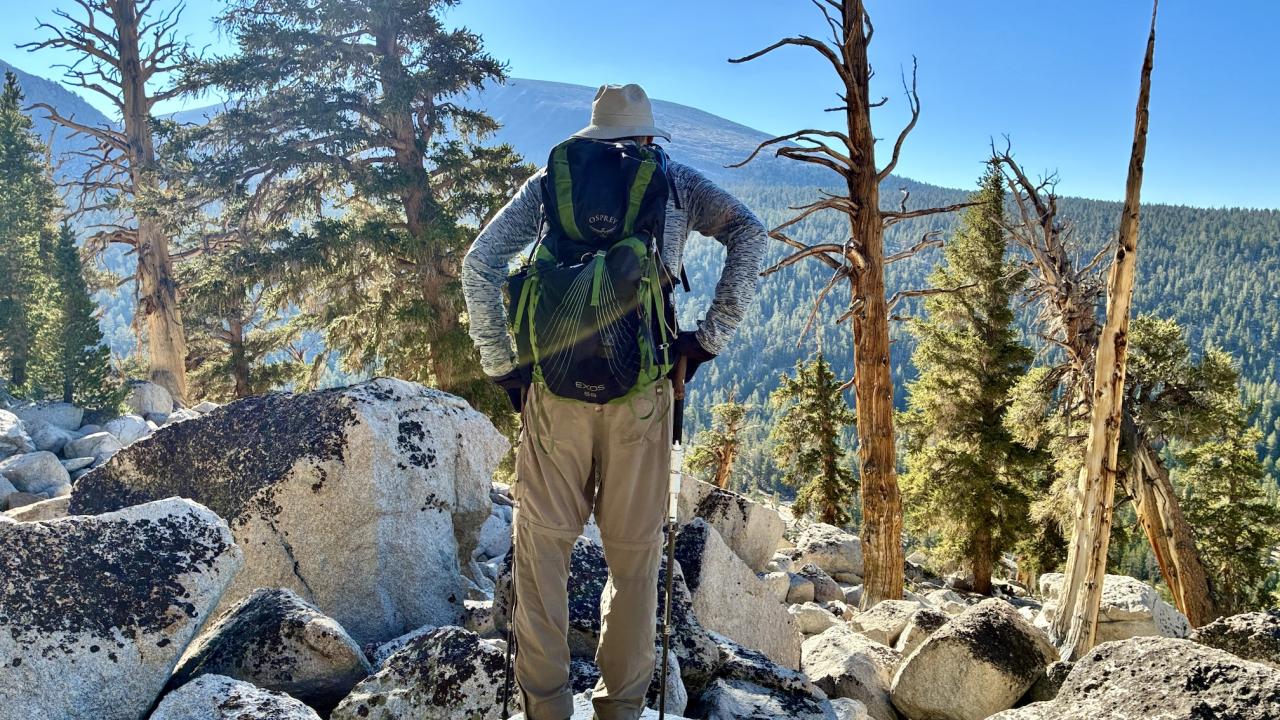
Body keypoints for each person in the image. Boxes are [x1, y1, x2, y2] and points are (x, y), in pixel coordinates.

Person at [461, 83, 766, 720]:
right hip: (645, 395)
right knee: (633, 564)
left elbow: (480, 264)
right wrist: (707, 339)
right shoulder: (674, 181)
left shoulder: (551, 182)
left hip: (552, 397)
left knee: (543, 556)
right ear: (648, 137)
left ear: (592, 137)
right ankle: (620, 709)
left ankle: (545, 709)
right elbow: (750, 232)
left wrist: (505, 369)